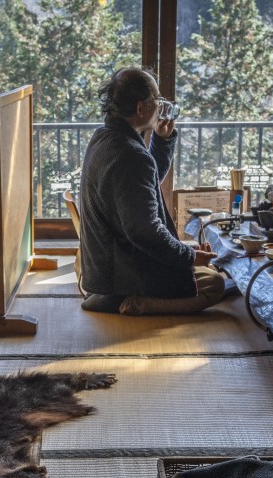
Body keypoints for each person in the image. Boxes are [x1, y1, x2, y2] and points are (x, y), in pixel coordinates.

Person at [77, 67, 226, 315]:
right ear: (141, 108)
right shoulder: (130, 155)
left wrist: (162, 140)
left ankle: (128, 298)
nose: (161, 105)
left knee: (206, 272)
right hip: (123, 278)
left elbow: (142, 184)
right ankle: (141, 304)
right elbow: (144, 232)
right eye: (156, 99)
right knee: (216, 283)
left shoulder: (104, 138)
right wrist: (188, 256)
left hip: (102, 271)